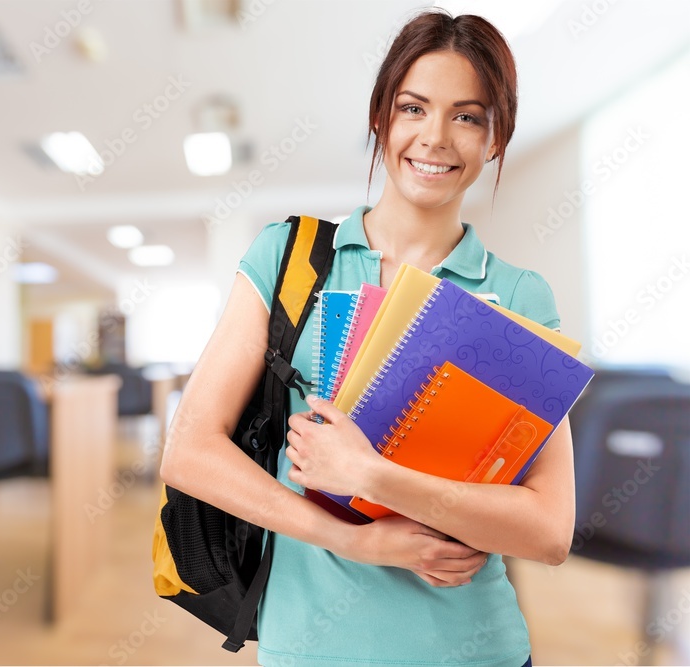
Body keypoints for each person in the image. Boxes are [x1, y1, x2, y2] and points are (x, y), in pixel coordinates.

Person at [159, 9, 574, 667]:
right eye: (414, 107)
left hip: (474, 650)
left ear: (496, 140)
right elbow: (189, 453)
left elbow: (550, 531)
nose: (435, 137)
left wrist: (374, 475)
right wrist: (355, 540)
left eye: (468, 116)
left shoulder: (519, 298)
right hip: (311, 648)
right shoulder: (288, 260)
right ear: (380, 118)